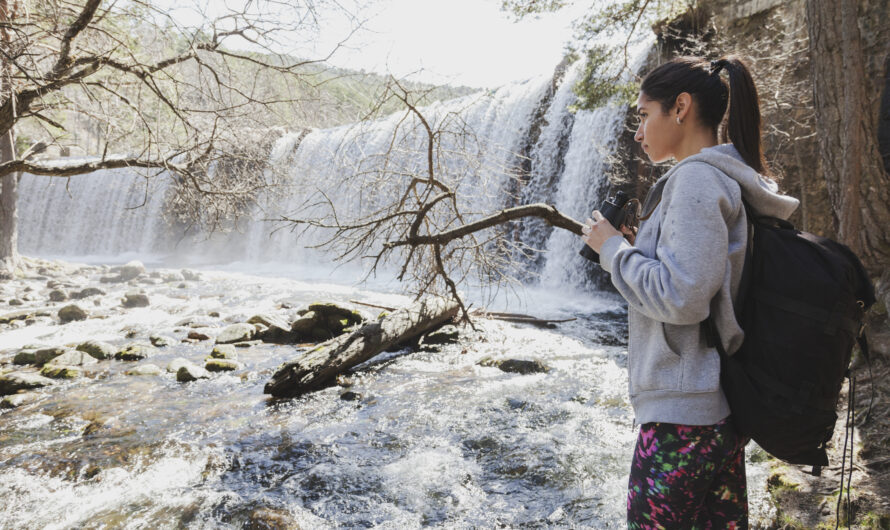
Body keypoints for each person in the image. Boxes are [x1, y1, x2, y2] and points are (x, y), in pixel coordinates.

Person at [581, 56, 800, 528]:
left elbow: (683, 299)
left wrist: (614, 250)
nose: (638, 132)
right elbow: (700, 283)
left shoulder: (696, 180)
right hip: (713, 410)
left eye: (643, 115)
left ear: (679, 107)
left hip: (685, 418)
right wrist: (638, 251)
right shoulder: (718, 177)